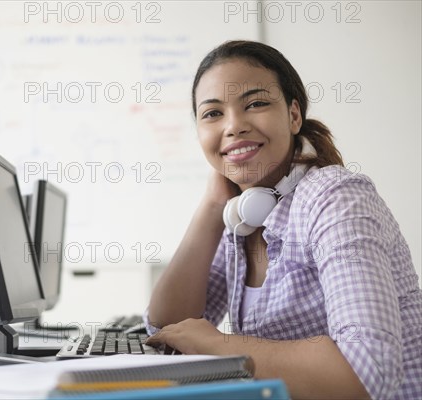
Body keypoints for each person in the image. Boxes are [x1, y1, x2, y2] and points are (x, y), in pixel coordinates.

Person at [144, 40, 422, 400]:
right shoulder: (243, 215)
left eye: (256, 104)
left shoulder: (335, 198)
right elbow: (166, 326)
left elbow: (369, 370)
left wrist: (220, 345)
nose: (234, 126)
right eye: (212, 114)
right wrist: (212, 207)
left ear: (293, 115)